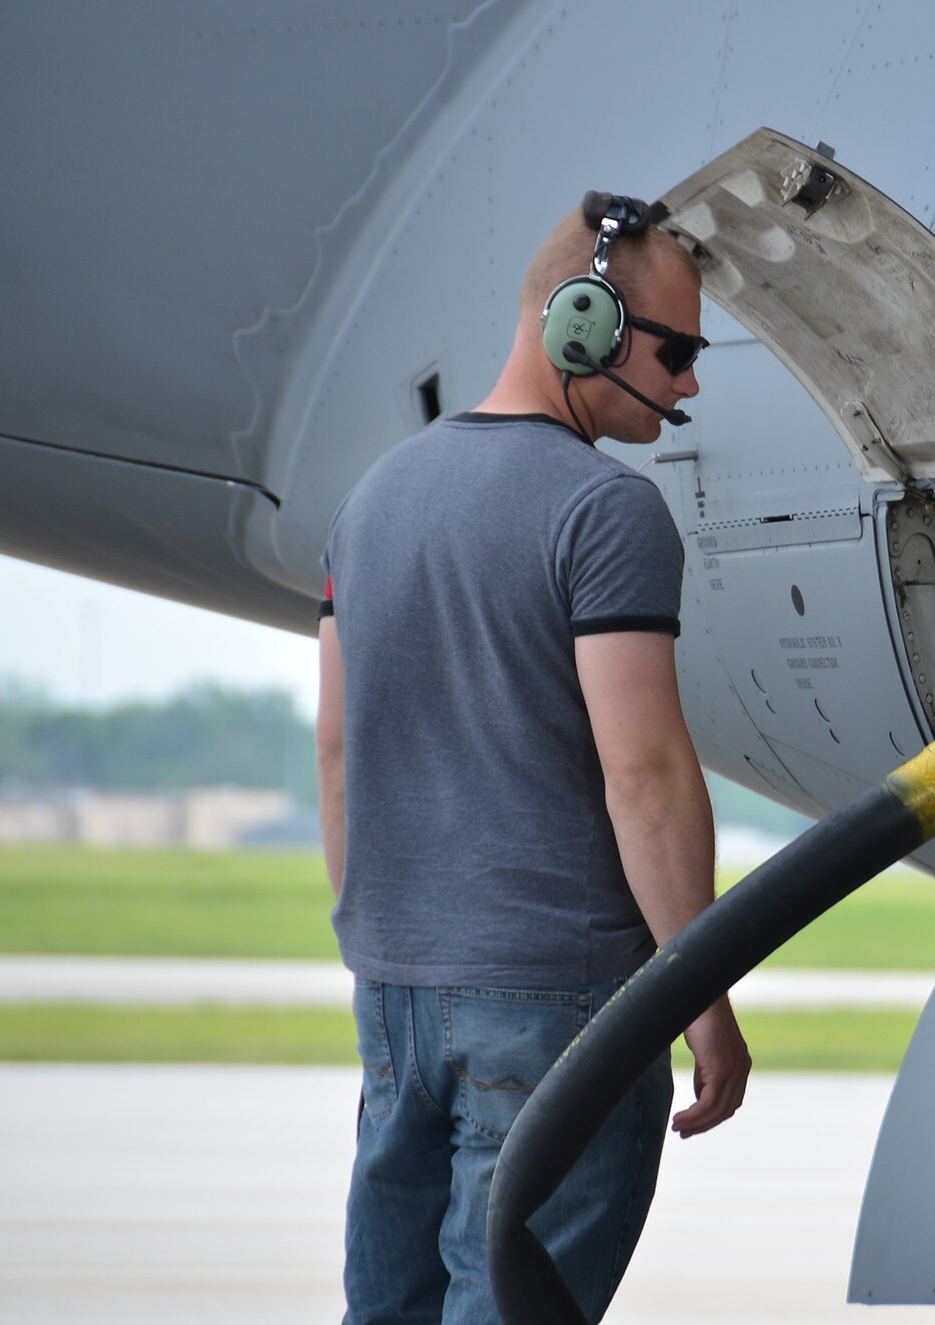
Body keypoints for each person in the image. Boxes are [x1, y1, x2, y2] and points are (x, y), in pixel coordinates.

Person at [315, 195, 750, 1324]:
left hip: (393, 992)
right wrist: (701, 997)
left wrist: (385, 936)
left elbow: (335, 745)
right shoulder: (606, 510)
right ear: (584, 324)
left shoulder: (369, 502)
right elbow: (643, 772)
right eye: (678, 350)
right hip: (558, 1001)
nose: (692, 383)